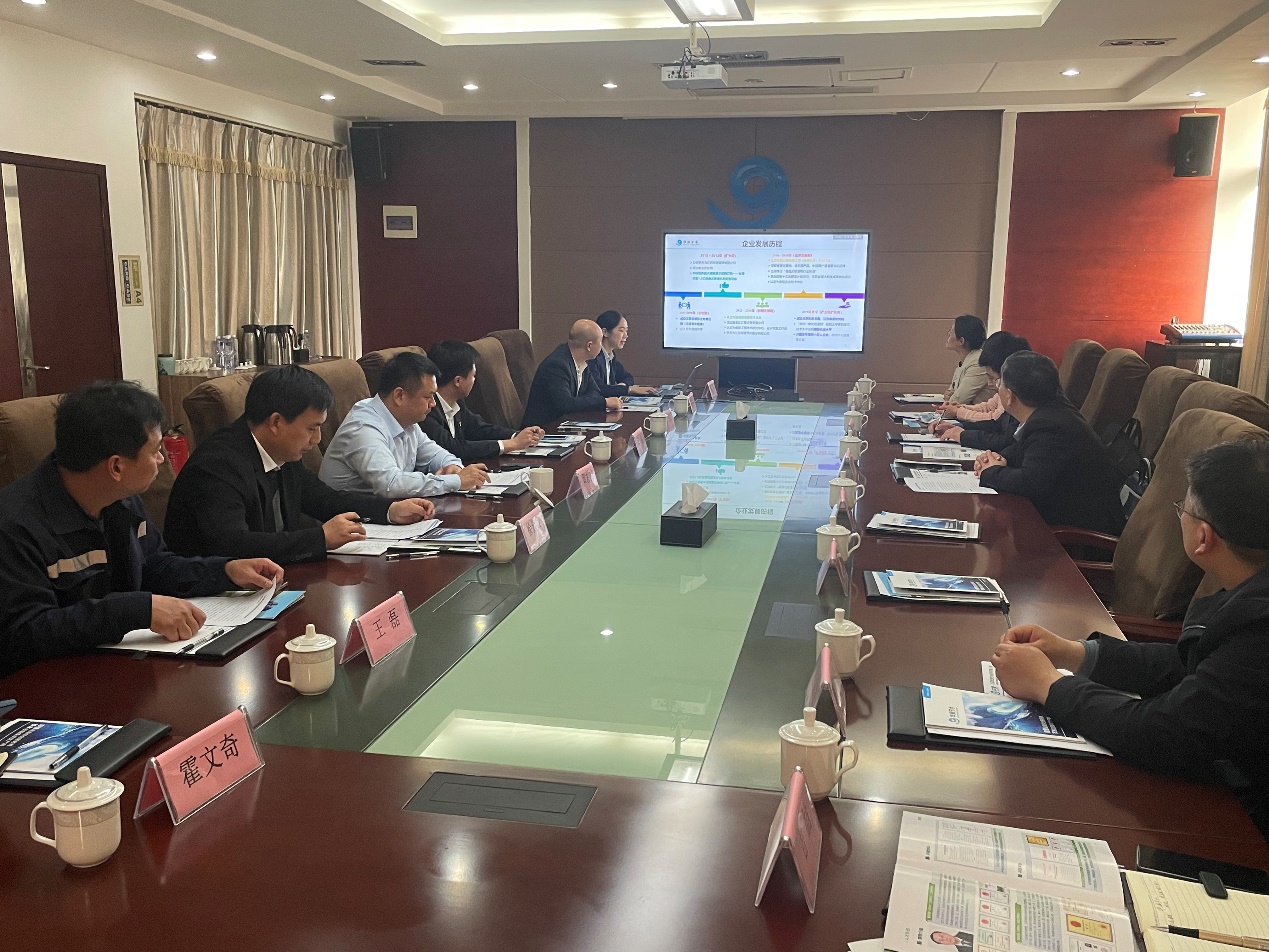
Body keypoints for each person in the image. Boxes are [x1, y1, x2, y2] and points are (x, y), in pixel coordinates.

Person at [992, 439, 1269, 840]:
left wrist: (1048, 684)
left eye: (1183, 509)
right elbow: (1192, 666)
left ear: (1203, 538)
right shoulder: (1248, 595)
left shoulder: (1258, 631)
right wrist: (1075, 653)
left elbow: (1163, 733)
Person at [0, 381, 283, 677]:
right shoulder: (15, 526)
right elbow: (24, 634)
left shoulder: (121, 498)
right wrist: (136, 610)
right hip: (54, 683)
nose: (162, 460)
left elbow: (155, 565)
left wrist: (224, 571)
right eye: (156, 450)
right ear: (116, 467)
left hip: (122, 666)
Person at [166, 365, 435, 565]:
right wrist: (320, 538)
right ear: (276, 422)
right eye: (311, 428)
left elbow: (325, 499)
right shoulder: (217, 466)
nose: (316, 440)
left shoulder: (281, 452)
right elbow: (233, 544)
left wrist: (389, 510)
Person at [974, 351, 1125, 534]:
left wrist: (990, 472)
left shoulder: (1049, 426)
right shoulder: (1050, 409)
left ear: (1010, 396)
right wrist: (1000, 458)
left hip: (1079, 531)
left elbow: (1030, 483)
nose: (997, 388)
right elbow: (1026, 448)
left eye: (1000, 383)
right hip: (1065, 510)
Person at [321, 351, 491, 496]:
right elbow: (391, 484)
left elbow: (435, 454)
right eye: (428, 397)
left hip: (386, 512)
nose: (433, 404)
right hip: (351, 518)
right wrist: (455, 481)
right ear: (399, 396)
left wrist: (452, 466)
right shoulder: (363, 428)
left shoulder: (406, 421)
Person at [420, 340, 544, 463]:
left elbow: (480, 429)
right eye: (473, 375)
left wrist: (518, 435)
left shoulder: (457, 402)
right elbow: (453, 448)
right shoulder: (427, 409)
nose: (474, 380)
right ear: (458, 381)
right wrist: (511, 444)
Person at [934, 332, 1032, 452]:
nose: (991, 383)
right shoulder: (1010, 393)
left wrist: (960, 421)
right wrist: (958, 426)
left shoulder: (1021, 400)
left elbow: (1004, 439)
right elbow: (995, 422)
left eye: (993, 379)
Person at [521, 320, 622, 428]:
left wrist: (579, 402)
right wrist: (604, 402)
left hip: (566, 425)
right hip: (542, 430)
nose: (601, 346)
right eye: (600, 342)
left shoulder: (582, 362)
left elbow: (595, 392)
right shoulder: (556, 365)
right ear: (589, 346)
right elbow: (566, 404)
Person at [587, 310, 660, 399]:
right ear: (605, 332)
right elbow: (599, 389)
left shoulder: (610, 356)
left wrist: (622, 386)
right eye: (621, 330)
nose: (626, 335)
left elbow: (628, 377)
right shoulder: (592, 357)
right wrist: (629, 389)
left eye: (626, 331)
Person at [944, 314, 992, 405]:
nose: (948, 333)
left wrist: (951, 399)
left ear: (961, 341)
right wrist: (948, 396)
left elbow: (957, 401)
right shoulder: (965, 361)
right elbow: (950, 395)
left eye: (952, 331)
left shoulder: (978, 362)